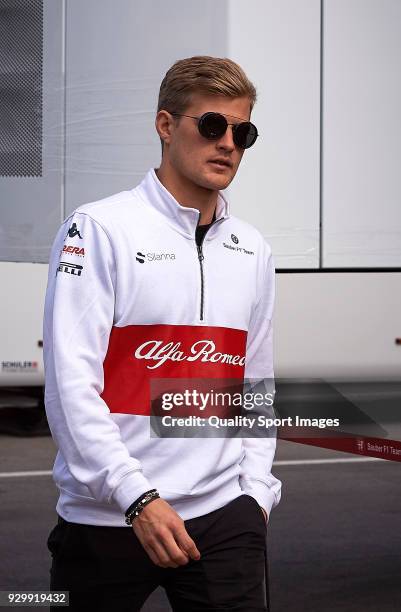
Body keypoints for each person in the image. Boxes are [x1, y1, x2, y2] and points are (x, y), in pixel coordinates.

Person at [44, 55, 281, 611]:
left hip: (225, 521)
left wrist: (256, 494)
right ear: (166, 125)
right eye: (212, 125)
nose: (228, 144)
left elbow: (256, 382)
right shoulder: (99, 228)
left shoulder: (253, 248)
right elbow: (70, 386)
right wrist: (137, 500)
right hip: (109, 520)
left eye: (242, 132)